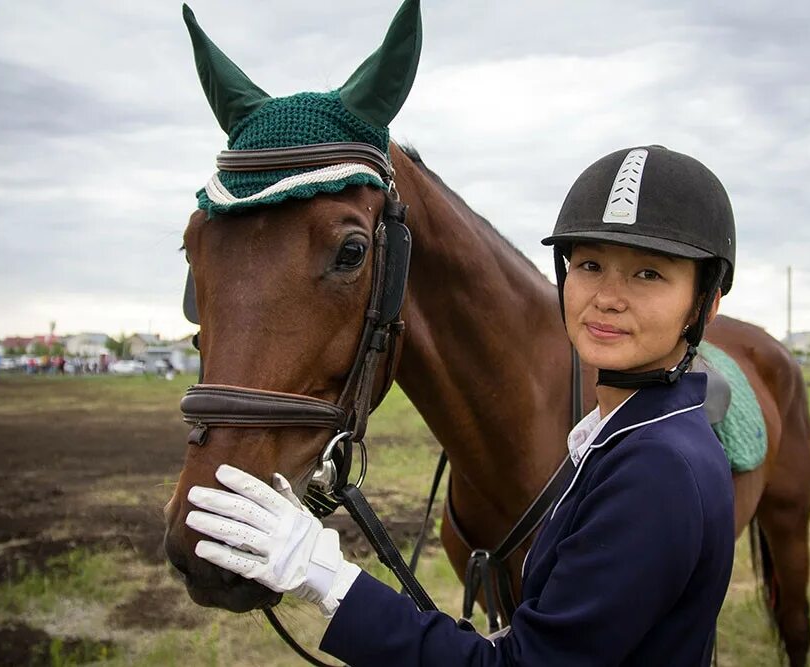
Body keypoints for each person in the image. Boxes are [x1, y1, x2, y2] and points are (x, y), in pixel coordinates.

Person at [186, 145, 737, 666]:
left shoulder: (657, 468)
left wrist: (326, 575)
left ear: (705, 302)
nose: (608, 297)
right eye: (590, 265)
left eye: (649, 274)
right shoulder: (623, 434)